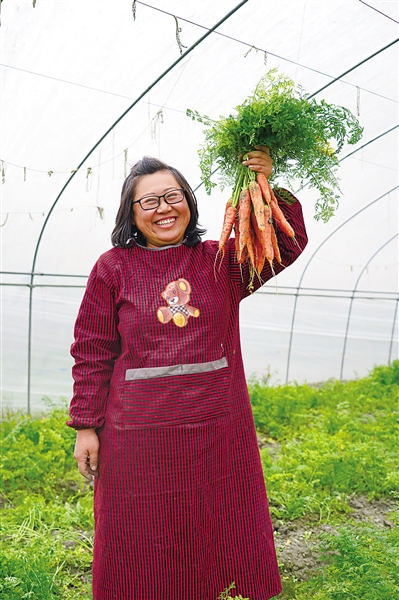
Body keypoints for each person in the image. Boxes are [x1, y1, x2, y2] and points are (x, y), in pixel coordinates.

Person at [68, 146, 308, 600]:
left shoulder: (221, 261)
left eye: (173, 196)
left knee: (219, 519)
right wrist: (86, 425)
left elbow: (286, 243)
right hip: (137, 435)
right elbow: (92, 350)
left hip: (217, 428)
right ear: (131, 212)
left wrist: (266, 184)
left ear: (189, 202)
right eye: (149, 201)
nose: (164, 209)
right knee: (140, 533)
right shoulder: (113, 268)